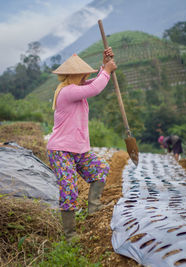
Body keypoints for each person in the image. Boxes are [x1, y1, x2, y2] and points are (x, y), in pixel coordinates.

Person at [47, 48, 117, 241]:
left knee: (100, 168)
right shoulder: (68, 91)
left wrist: (105, 65)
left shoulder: (77, 89)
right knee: (69, 187)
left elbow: (93, 83)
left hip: (78, 149)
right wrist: (107, 71)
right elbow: (95, 88)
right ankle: (70, 235)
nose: (86, 75)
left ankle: (93, 209)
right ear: (74, 75)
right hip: (61, 150)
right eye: (83, 73)